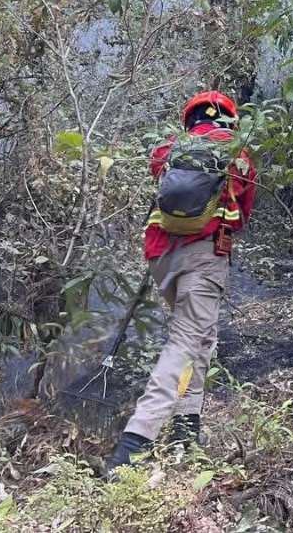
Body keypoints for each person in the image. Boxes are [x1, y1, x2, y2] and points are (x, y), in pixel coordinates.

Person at [107, 91, 256, 471]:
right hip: (204, 257)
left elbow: (162, 186)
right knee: (185, 342)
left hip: (160, 256)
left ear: (189, 120)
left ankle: (187, 430)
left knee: (200, 338)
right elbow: (240, 216)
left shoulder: (168, 149)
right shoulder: (237, 152)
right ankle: (133, 445)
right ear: (231, 120)